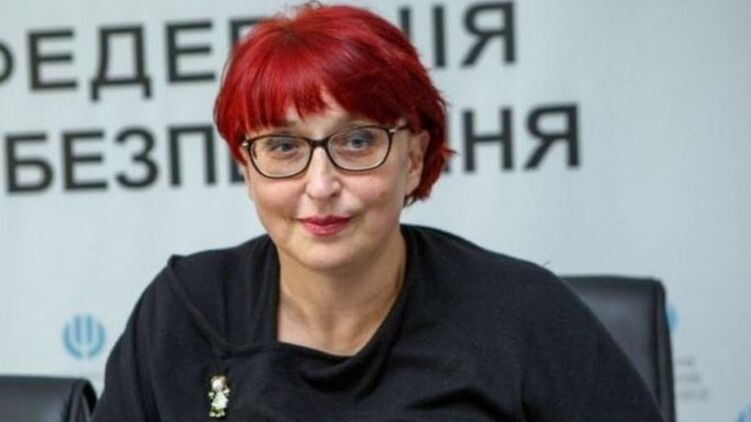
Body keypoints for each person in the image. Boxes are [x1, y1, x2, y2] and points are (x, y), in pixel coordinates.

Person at [93, 3, 665, 421]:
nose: (321, 185)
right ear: (247, 168)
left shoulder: (523, 314)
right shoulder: (185, 311)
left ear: (413, 159)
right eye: (284, 147)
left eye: (357, 142)